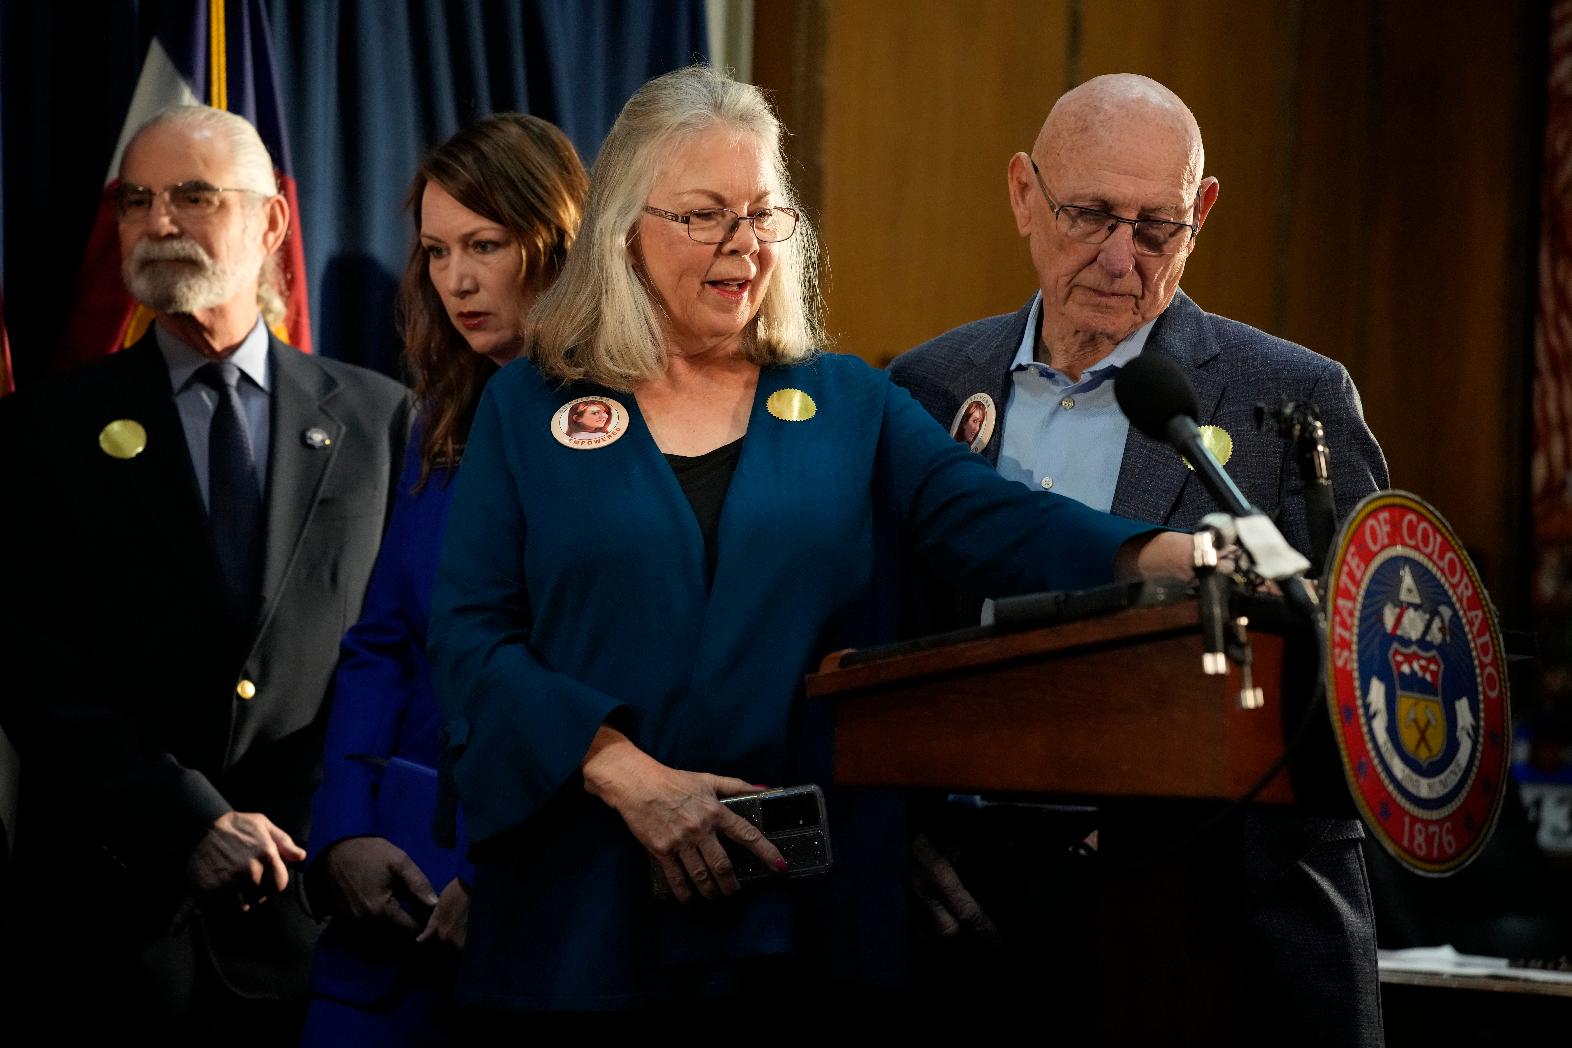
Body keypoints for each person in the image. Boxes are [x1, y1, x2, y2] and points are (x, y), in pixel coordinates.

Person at [426, 65, 1200, 1021]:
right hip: (578, 920)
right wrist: (620, 770)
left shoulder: (849, 404)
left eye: (762, 214)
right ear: (627, 227)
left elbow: (999, 522)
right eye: (705, 215)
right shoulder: (526, 406)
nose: (742, 247)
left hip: (799, 933)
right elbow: (468, 639)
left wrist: (1170, 560)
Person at [889, 73, 1388, 1044]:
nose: (1122, 259)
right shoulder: (929, 385)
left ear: (1202, 212)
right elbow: (882, 635)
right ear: (1023, 195)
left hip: (1218, 915)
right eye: (1089, 216)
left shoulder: (1291, 398)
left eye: (1157, 226)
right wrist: (896, 837)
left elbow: (1358, 673)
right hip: (978, 909)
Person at [0, 106, 409, 1033]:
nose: (159, 223)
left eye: (193, 195)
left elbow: (392, 655)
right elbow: (31, 667)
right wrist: (183, 822)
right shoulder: (42, 431)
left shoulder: (382, 422)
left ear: (270, 224)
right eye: (136, 201)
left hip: (316, 923)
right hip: (107, 935)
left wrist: (328, 824)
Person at [298, 115, 587, 1042]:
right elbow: (381, 642)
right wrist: (343, 826)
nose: (456, 279)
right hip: (383, 903)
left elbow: (613, 676)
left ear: (555, 238)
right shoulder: (437, 421)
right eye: (435, 251)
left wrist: (498, 871)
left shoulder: (628, 427)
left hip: (544, 902)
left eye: (484, 245)